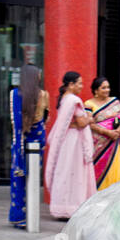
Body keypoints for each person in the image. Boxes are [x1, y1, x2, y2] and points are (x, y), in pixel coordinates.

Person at [44, 72, 97, 220]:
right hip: (75, 142)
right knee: (76, 174)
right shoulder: (74, 100)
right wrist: (90, 118)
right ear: (71, 84)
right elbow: (81, 122)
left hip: (67, 141)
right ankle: (75, 207)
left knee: (65, 173)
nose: (81, 86)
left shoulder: (64, 99)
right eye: (79, 83)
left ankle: (61, 207)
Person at [8, 63, 49, 228]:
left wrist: (18, 145)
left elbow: (16, 124)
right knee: (32, 179)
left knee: (18, 179)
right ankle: (30, 216)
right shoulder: (43, 95)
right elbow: (45, 120)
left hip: (21, 143)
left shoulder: (15, 94)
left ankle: (19, 216)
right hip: (36, 144)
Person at [84, 75, 120, 190]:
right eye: (103, 88)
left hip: (113, 145)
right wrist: (107, 132)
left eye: (108, 87)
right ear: (96, 90)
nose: (107, 90)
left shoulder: (115, 102)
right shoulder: (89, 104)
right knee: (97, 172)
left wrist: (117, 131)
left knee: (114, 172)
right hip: (97, 146)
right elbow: (90, 123)